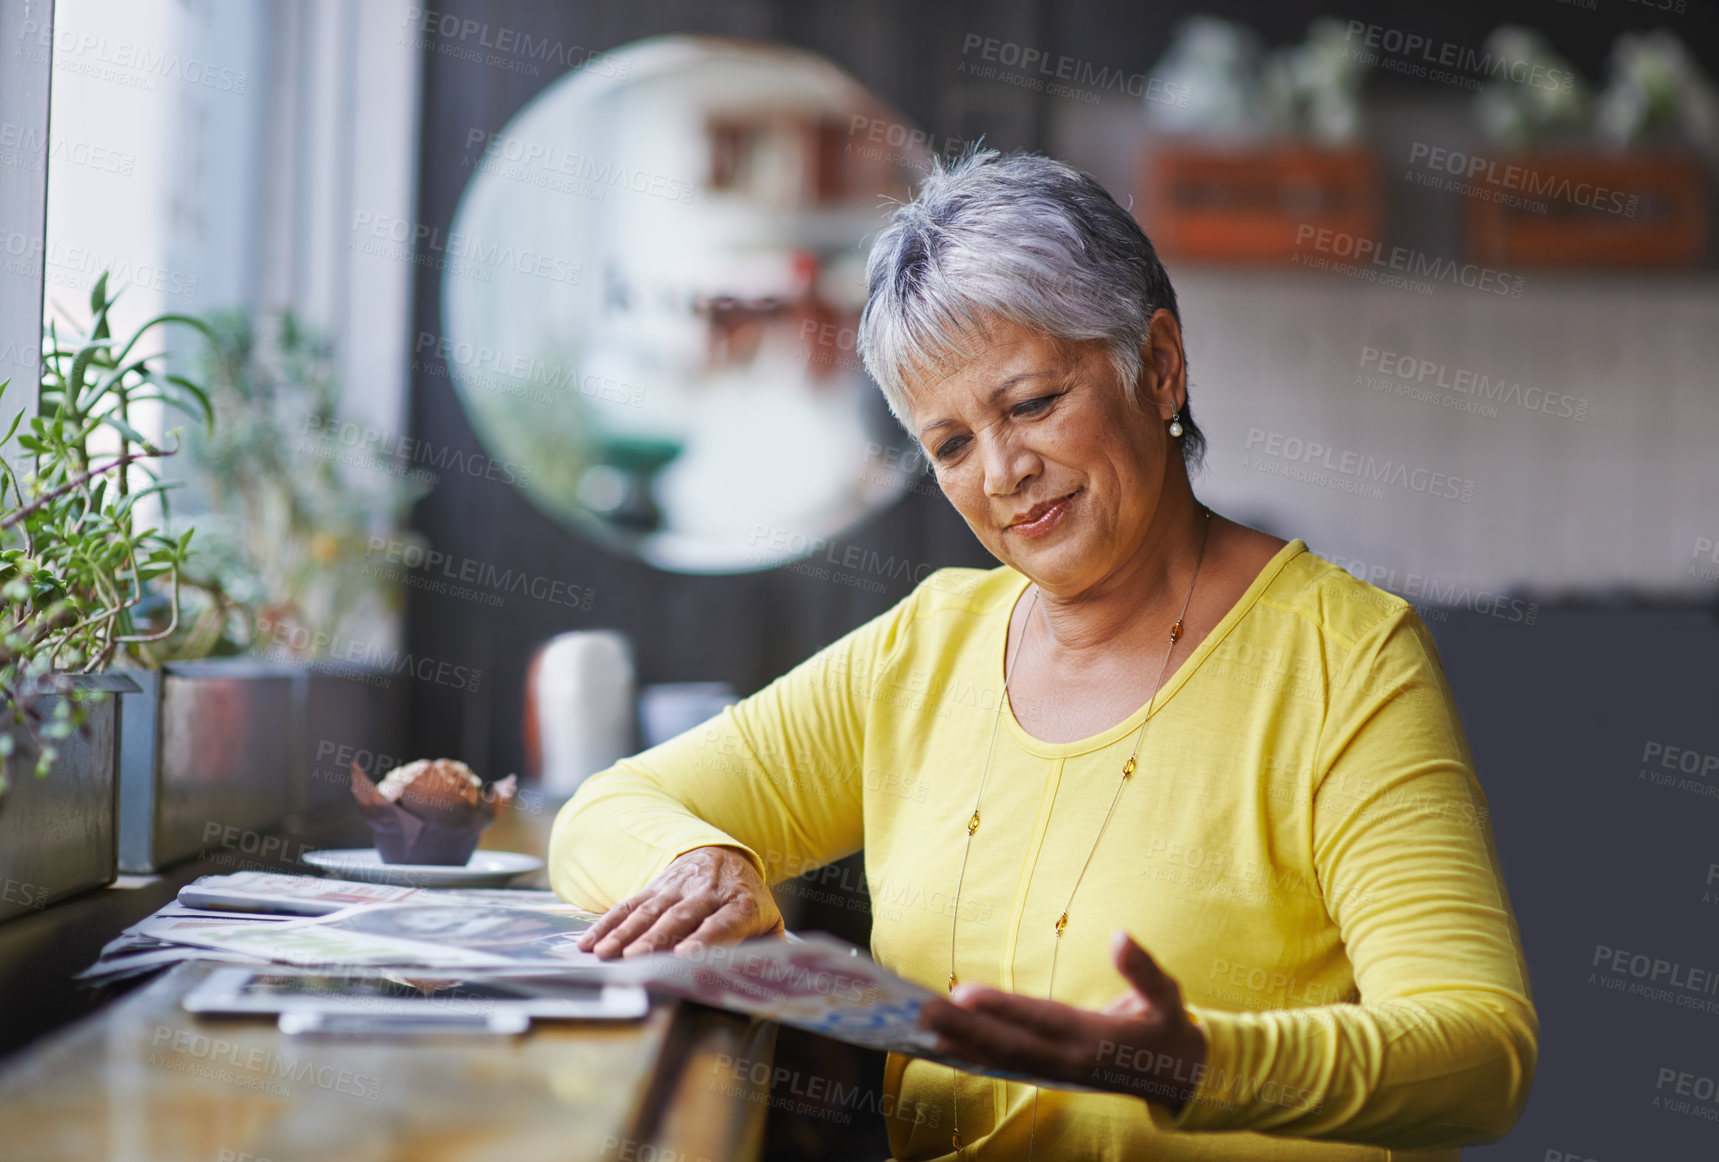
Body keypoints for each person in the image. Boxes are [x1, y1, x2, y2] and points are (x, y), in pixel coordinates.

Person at [550, 149, 1537, 1161]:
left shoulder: (1347, 660)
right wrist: (699, 863)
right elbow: (598, 811)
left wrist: (1190, 1064)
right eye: (951, 445)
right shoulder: (926, 651)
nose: (1005, 473)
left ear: (1158, 366)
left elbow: (1479, 1059)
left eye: (1030, 404)